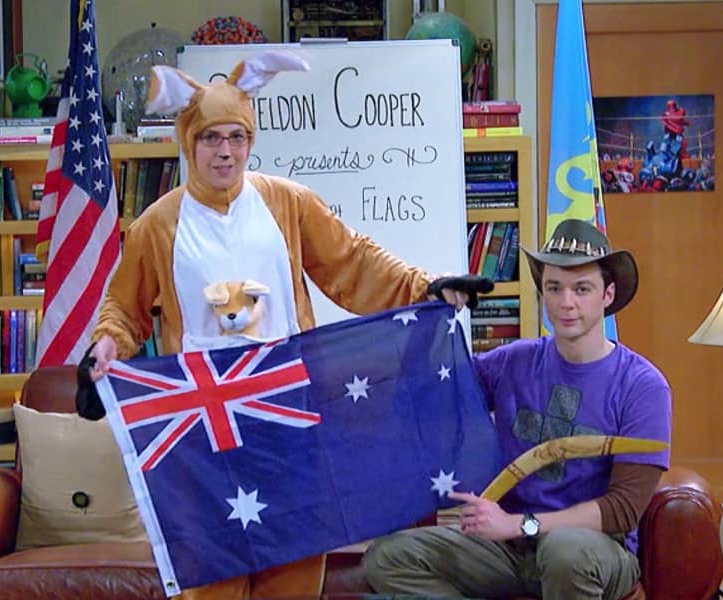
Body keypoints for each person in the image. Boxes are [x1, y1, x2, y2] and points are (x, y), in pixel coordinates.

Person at [84, 50, 489, 600]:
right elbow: (124, 309)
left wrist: (424, 288)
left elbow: (353, 263)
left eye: (236, 137)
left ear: (250, 140)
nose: (225, 151)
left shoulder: (288, 202)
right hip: (204, 427)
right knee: (213, 574)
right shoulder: (158, 224)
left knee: (295, 567)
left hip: (290, 411)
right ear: (188, 141)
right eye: (210, 138)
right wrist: (106, 347)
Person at [362, 218, 672, 600]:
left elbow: (622, 509)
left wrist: (520, 525)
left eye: (582, 289)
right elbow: (430, 397)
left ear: (608, 295)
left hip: (592, 549)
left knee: (564, 550)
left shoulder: (643, 386)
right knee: (389, 557)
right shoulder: (512, 361)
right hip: (507, 550)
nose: (566, 302)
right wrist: (430, 314)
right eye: (554, 288)